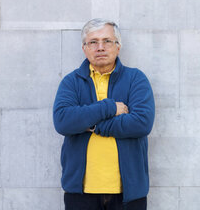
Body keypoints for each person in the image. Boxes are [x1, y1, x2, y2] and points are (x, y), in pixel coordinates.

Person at [53, 18, 155, 210]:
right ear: (84, 48)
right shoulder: (72, 82)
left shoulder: (136, 79)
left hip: (128, 194)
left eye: (107, 41)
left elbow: (142, 123)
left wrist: (92, 125)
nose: (100, 47)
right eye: (93, 42)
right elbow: (62, 121)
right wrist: (109, 108)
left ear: (118, 47)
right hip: (81, 193)